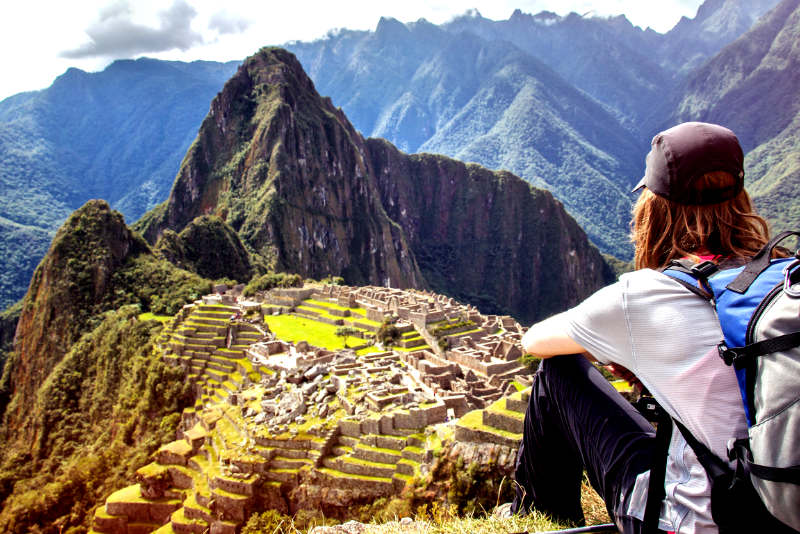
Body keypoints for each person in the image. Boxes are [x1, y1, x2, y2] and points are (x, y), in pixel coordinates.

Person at [509, 122, 790, 533]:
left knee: (557, 373)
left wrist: (620, 348)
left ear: (654, 207)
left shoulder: (643, 297)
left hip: (696, 523)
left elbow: (534, 341)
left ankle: (540, 517)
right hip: (783, 511)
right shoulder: (786, 279)